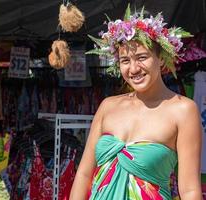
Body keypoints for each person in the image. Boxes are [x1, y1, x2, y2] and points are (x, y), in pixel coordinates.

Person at [70, 6, 203, 200]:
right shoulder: (108, 106)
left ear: (161, 59)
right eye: (125, 60)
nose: (133, 69)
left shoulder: (183, 110)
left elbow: (189, 190)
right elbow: (83, 175)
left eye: (142, 57)